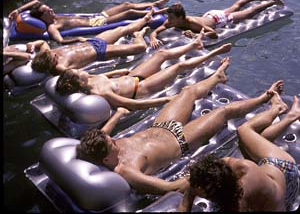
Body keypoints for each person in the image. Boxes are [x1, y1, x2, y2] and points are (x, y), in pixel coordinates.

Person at [76, 72, 284, 195]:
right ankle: (267, 101)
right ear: (105, 158)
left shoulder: (100, 145)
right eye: (111, 142)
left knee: (187, 92)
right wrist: (193, 176)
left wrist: (117, 115)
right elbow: (168, 187)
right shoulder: (126, 170)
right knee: (223, 111)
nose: (114, 140)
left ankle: (217, 77)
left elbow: (101, 134)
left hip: (161, 125)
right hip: (182, 139)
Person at [179, 93, 300, 212]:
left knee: (243, 129)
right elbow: (188, 195)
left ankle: (282, 110)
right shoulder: (222, 167)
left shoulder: (240, 199)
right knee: (246, 142)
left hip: (284, 168)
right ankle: (283, 112)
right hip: (270, 175)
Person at [55, 32, 232, 104]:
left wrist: (118, 72)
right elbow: (135, 105)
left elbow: (108, 75)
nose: (80, 70)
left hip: (133, 76)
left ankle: (194, 45)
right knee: (178, 67)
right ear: (77, 82)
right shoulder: (99, 93)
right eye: (77, 73)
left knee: (161, 54)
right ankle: (214, 55)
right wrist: (167, 99)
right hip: (142, 87)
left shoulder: (90, 79)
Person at [8, 0, 170, 44]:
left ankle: (155, 3)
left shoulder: (51, 16)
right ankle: (154, 13)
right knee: (129, 13)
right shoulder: (52, 27)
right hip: (98, 23)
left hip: (97, 16)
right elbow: (60, 41)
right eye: (47, 11)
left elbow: (36, 2)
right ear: (42, 17)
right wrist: (77, 39)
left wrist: (18, 9)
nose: (50, 9)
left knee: (126, 4)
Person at [30, 12, 153, 75]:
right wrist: (114, 73)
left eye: (54, 55)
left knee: (122, 29)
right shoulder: (59, 67)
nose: (56, 55)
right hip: (100, 52)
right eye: (54, 59)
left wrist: (31, 45)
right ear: (50, 65)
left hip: (92, 42)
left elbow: (41, 43)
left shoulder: (47, 53)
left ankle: (145, 19)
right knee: (141, 47)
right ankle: (139, 35)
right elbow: (83, 76)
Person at [150, 0, 285, 48]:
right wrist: (152, 38)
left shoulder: (192, 23)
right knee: (234, 7)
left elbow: (214, 34)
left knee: (248, 13)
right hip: (209, 15)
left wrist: (197, 35)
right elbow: (156, 31)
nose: (168, 20)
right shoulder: (171, 22)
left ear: (180, 18)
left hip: (217, 19)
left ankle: (272, 1)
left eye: (171, 17)